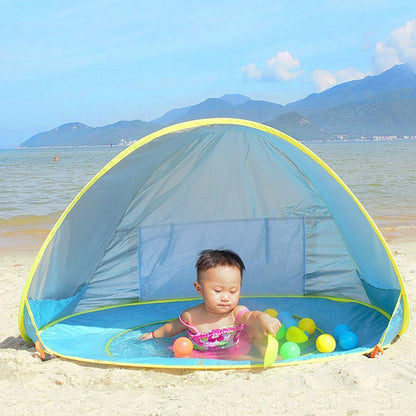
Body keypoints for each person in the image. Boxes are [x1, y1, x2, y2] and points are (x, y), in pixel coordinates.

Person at [139, 249, 281, 356]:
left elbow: (253, 316)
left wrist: (266, 319)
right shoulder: (191, 316)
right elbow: (172, 328)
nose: (226, 297)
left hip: (234, 351)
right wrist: (153, 335)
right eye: (218, 291)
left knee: (255, 333)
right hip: (200, 354)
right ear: (199, 289)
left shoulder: (236, 313)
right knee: (182, 356)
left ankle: (262, 350)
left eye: (233, 291)